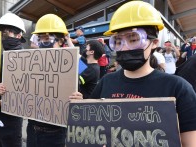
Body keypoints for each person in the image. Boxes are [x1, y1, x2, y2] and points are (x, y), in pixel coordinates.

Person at [69, 1, 196, 147]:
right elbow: (91, 129)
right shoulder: (106, 82)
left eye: (134, 39)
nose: (125, 47)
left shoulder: (178, 88)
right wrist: (81, 105)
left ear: (154, 42)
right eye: (118, 41)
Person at [27, 14, 74, 147]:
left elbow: (81, 66)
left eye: (48, 39)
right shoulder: (31, 62)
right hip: (32, 129)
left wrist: (69, 41)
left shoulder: (72, 63)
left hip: (55, 133)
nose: (43, 43)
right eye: (41, 39)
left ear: (60, 41)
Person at [0, 13, 26, 147]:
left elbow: (28, 93)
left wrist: (1, 102)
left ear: (18, 36)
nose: (3, 37)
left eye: (6, 34)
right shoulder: (0, 57)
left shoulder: (26, 59)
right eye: (1, 34)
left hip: (10, 121)